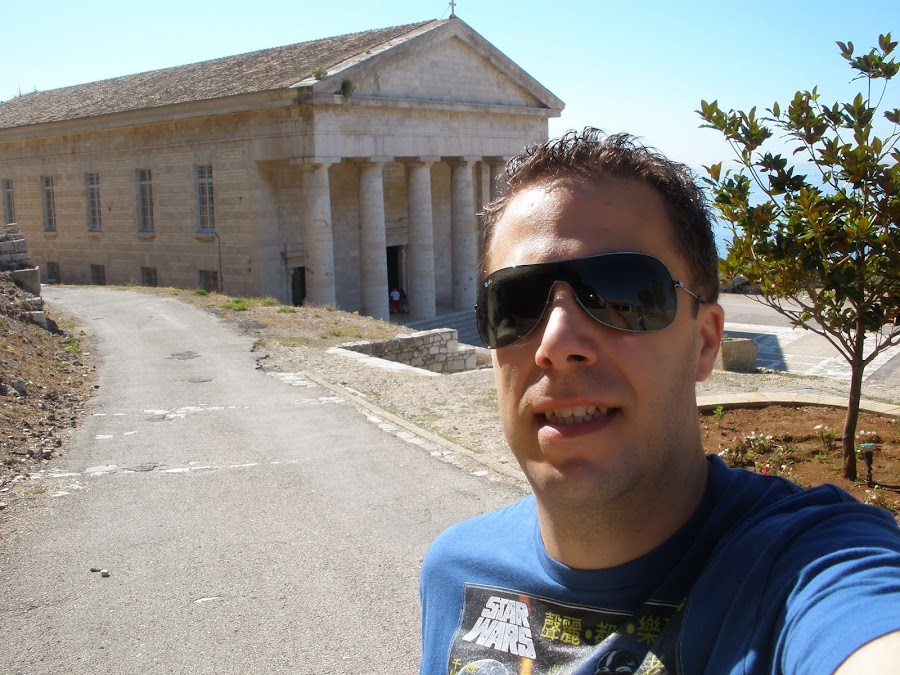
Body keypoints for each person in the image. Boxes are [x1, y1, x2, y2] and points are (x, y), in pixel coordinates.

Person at [419, 129, 900, 674]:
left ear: (705, 342)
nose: (556, 344)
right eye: (515, 301)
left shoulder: (802, 565)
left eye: (623, 295)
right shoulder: (453, 576)